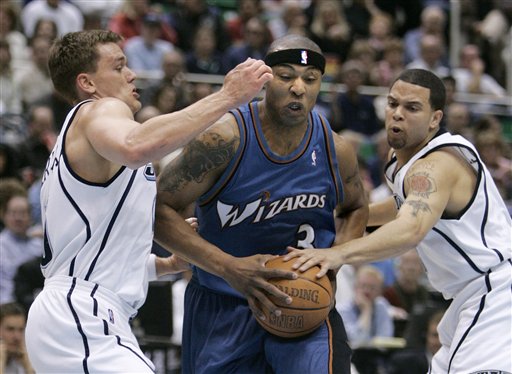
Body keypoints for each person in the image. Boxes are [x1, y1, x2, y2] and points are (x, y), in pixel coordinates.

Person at [24, 29, 273, 373]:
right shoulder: (98, 111)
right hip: (81, 315)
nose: (132, 74)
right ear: (88, 82)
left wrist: (164, 265)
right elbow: (137, 147)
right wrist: (227, 96)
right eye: (118, 67)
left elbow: (91, 258)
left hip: (78, 313)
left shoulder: (88, 139)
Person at [154, 34, 369, 373]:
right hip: (224, 305)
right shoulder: (223, 140)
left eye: (310, 79)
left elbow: (355, 208)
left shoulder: (334, 149)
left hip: (304, 306)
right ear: (267, 78)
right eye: (286, 76)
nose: (298, 87)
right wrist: (228, 267)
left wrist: (333, 260)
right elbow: (159, 210)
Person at [285, 68, 512, 373]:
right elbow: (403, 207)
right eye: (393, 104)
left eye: (412, 108)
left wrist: (335, 254)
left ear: (435, 118)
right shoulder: (400, 159)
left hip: (497, 290)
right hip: (469, 296)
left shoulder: (434, 167)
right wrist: (342, 213)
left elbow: (411, 228)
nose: (398, 114)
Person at [0, 193, 42, 305]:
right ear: (4, 216)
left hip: (33, 304)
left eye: (23, 213)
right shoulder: (1, 245)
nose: (18, 218)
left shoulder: (39, 245)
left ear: (30, 217)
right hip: (7, 306)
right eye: (13, 213)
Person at [0, 302, 34, 374]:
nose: (17, 337)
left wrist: (29, 369)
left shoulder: (24, 360)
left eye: (21, 330)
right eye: (10, 329)